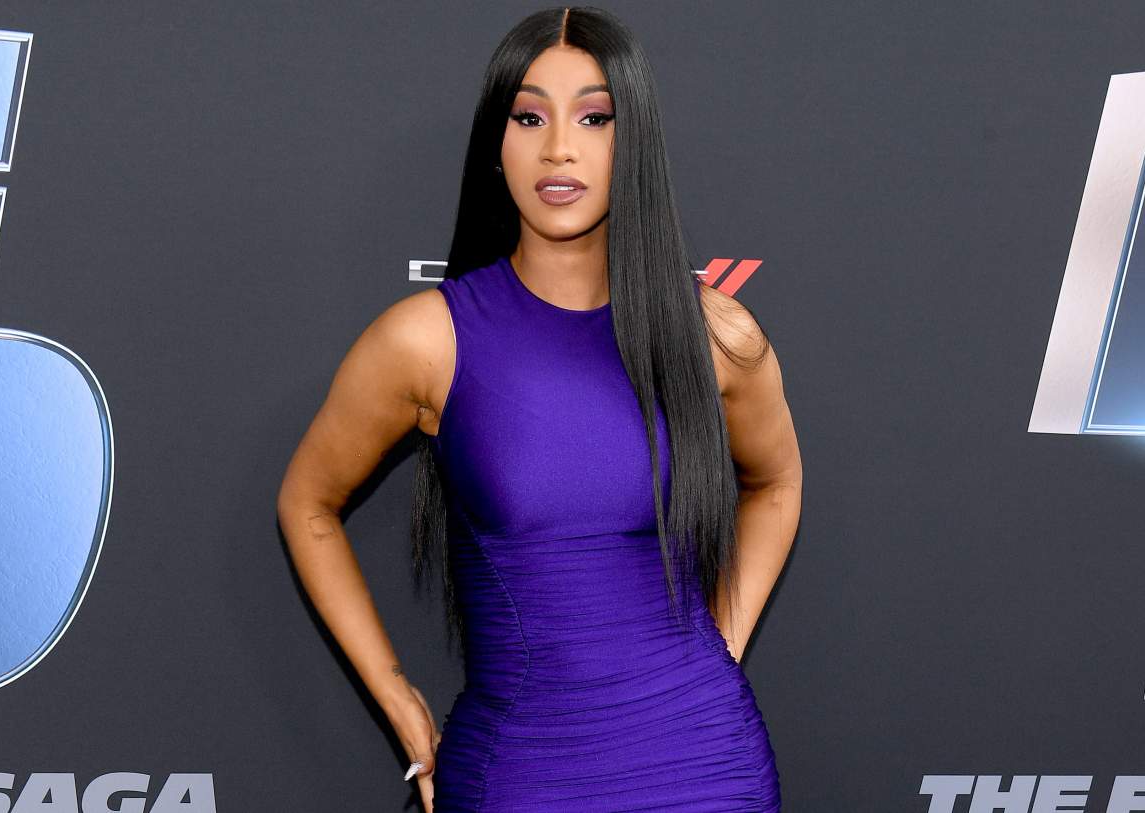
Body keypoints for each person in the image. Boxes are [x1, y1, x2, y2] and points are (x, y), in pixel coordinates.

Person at [276, 6, 802, 811]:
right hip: (520, 774)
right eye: (529, 117)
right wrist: (398, 697)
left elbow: (777, 484)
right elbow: (307, 501)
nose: (559, 148)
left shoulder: (714, 337)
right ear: (497, 143)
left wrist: (718, 647)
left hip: (704, 765)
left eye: (594, 118)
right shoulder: (427, 340)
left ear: (634, 141)